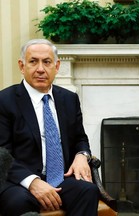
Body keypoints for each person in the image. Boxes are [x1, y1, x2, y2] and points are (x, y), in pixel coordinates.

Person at [0, 39, 99, 216]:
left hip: (61, 178)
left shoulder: (69, 99)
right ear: (22, 66)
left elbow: (80, 138)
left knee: (88, 191)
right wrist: (32, 182)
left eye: (46, 62)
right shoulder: (5, 101)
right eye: (33, 61)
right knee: (17, 202)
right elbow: (2, 153)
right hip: (19, 182)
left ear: (57, 66)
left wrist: (82, 156)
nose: (40, 69)